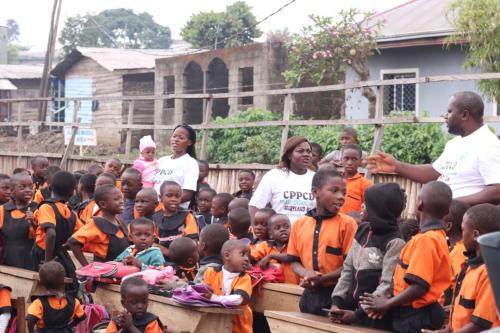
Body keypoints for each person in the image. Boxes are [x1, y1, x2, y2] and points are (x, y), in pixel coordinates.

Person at [366, 91, 500, 205]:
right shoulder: (454, 143)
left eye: (449, 111)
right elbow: (434, 172)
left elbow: (496, 191)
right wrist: (396, 166)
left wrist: (451, 205)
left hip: (464, 223)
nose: (445, 116)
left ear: (464, 115)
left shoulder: (488, 143)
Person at [360, 181, 453, 333]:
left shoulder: (426, 240)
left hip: (416, 315)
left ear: (420, 204)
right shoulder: (436, 236)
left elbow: (419, 286)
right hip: (418, 312)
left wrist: (387, 304)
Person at [328, 183, 406, 330]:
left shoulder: (395, 242)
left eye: (368, 203)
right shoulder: (362, 229)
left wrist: (358, 314)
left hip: (374, 316)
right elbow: (348, 269)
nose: (362, 205)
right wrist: (336, 302)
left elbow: (387, 285)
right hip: (348, 310)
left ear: (379, 210)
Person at [287, 167, 358, 315]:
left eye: (344, 193)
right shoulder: (300, 224)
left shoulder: (348, 224)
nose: (341, 197)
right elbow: (293, 261)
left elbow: (350, 266)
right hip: (309, 295)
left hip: (338, 296)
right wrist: (306, 273)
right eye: (334, 191)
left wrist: (322, 278)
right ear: (315, 192)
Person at [422, 204, 500, 333]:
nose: (461, 235)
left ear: (475, 234)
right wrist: (446, 330)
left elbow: (480, 324)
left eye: (463, 229)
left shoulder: (489, 274)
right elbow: (461, 308)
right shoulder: (470, 266)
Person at [250, 136, 316, 224]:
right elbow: (255, 205)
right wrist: (257, 233)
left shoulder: (316, 178)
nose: (306, 154)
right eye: (300, 151)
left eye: (309, 151)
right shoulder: (274, 175)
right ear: (289, 155)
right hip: (280, 235)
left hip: (307, 235)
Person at [32, 171, 82, 276]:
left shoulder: (47, 207)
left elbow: (51, 233)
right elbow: (78, 238)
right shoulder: (72, 213)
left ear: (50, 187)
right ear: (73, 192)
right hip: (60, 256)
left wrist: (48, 262)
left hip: (43, 255)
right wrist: (63, 247)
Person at [68, 184, 129, 265]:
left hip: (120, 270)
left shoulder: (120, 222)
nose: (121, 201)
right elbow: (73, 242)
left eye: (121, 198)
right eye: (116, 199)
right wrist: (86, 267)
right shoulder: (96, 224)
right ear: (103, 204)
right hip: (102, 271)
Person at [203, 239, 253, 333]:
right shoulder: (211, 272)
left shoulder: (244, 278)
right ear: (227, 256)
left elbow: (238, 299)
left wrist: (214, 298)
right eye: (242, 254)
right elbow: (204, 293)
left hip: (239, 327)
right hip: (215, 324)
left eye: (248, 256)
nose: (247, 259)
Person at [26, 261, 85, 333]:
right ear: (64, 280)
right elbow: (81, 317)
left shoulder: (39, 303)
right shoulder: (73, 301)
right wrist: (69, 326)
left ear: (41, 281)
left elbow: (30, 320)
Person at [153, 124, 199, 209]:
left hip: (175, 212)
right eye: (174, 136)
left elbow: (188, 194)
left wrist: (165, 204)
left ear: (189, 142)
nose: (176, 140)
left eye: (181, 138)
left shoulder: (190, 163)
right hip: (154, 209)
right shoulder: (161, 161)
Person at [0, 172, 37, 269]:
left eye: (30, 186)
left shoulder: (37, 209)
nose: (28, 190)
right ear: (12, 191)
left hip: (29, 259)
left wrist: (33, 222)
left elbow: (42, 235)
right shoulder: (3, 209)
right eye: (22, 187)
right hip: (6, 259)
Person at [251, 214, 299, 284]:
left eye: (286, 226)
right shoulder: (265, 246)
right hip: (271, 288)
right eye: (277, 228)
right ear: (270, 234)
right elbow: (252, 258)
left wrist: (271, 256)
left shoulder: (295, 244)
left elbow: (292, 256)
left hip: (293, 287)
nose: (283, 229)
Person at [152, 181, 199, 249]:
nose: (173, 199)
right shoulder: (156, 217)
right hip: (160, 255)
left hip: (181, 252)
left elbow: (193, 241)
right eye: (169, 196)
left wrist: (170, 252)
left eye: (177, 196)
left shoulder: (187, 216)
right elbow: (153, 241)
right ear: (160, 197)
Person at [443, 200, 470, 306]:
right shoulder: (453, 248)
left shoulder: (460, 252)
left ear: (448, 226)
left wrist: (452, 307)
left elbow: (461, 287)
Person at [339, 144, 372, 215]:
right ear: (341, 160)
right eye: (346, 158)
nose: (349, 162)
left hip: (354, 224)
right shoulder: (334, 180)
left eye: (354, 159)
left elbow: (368, 210)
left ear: (360, 161)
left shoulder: (365, 184)